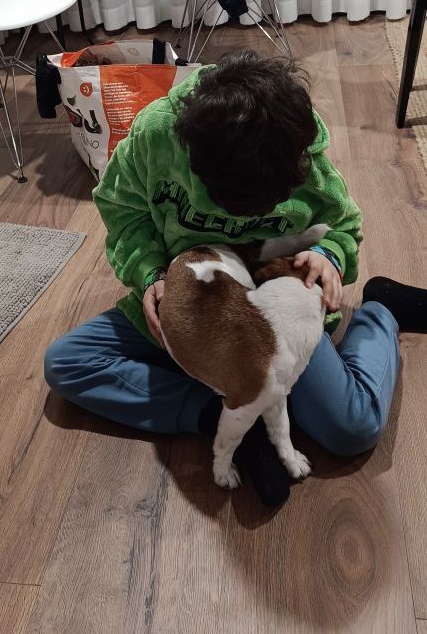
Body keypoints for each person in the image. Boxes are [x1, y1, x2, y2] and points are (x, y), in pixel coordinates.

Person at [44, 50, 425, 507]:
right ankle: (227, 416)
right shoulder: (154, 137)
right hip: (190, 297)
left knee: (352, 428)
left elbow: (342, 222)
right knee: (65, 363)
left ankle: (382, 310)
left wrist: (329, 255)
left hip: (271, 310)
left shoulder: (295, 145)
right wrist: (150, 274)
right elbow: (121, 210)